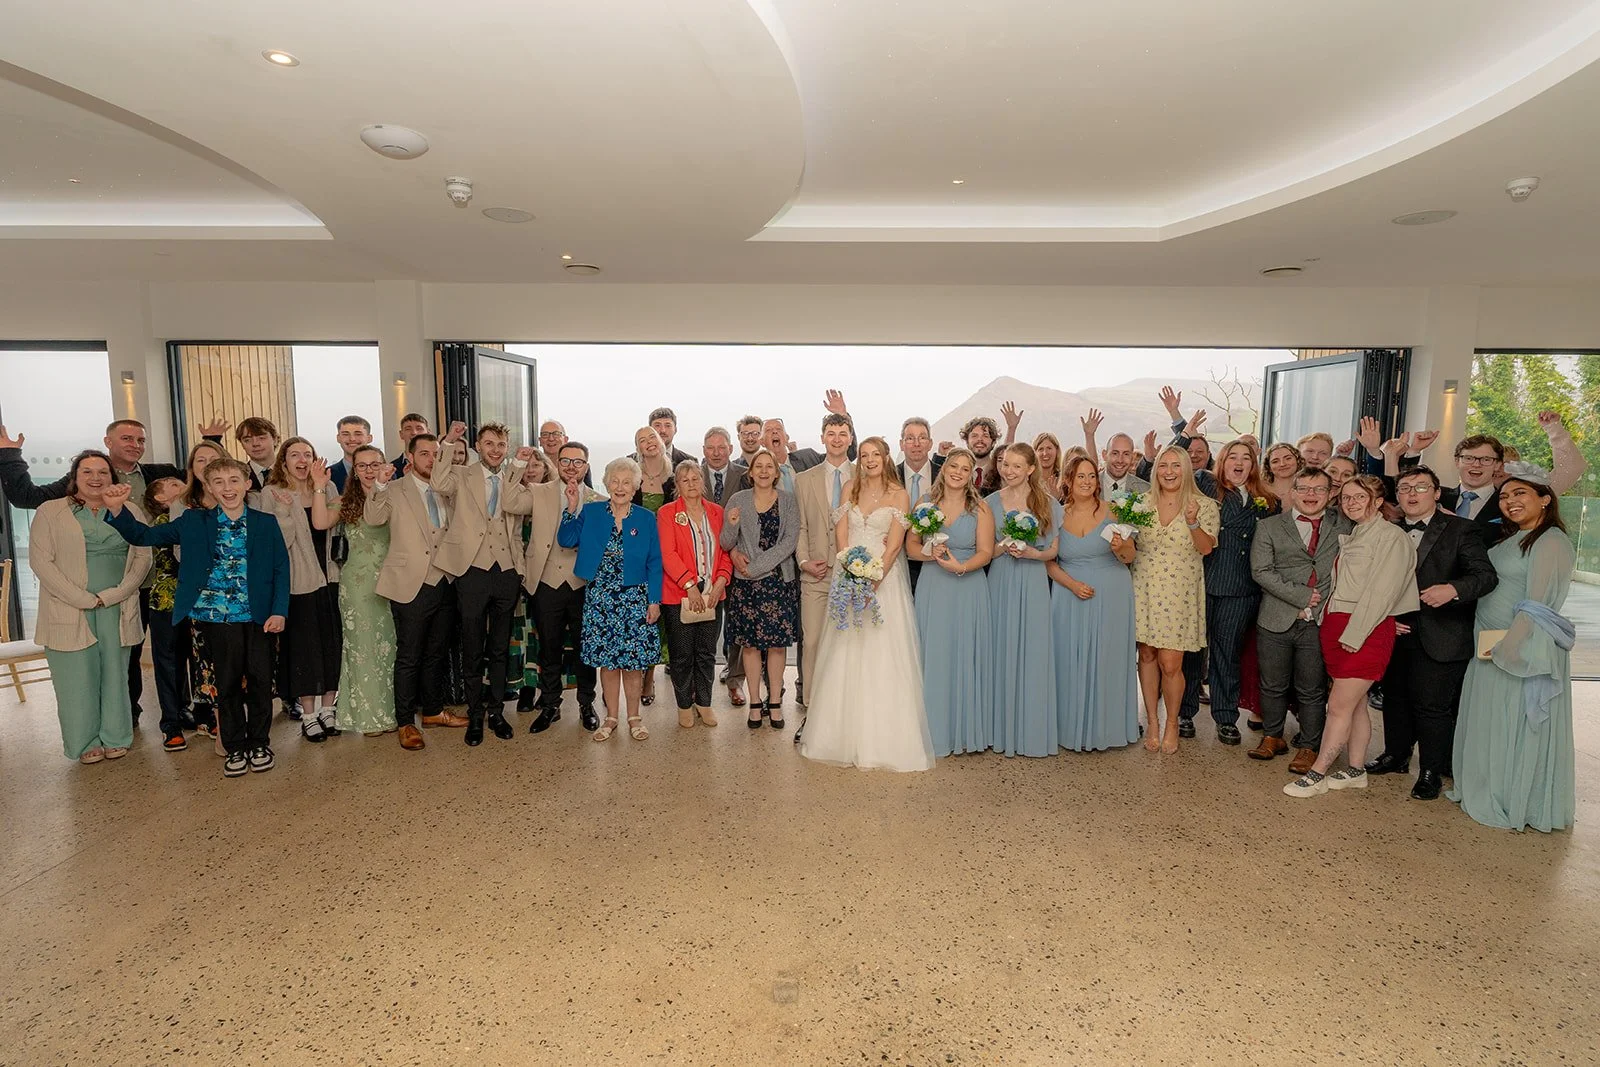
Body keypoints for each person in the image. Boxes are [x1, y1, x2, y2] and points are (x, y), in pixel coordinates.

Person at [0, 416, 227, 723]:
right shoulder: (91, 478)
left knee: (181, 651)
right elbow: (27, 497)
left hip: (164, 583)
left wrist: (214, 440)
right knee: (128, 654)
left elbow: (209, 472)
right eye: (127, 439)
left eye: (141, 440)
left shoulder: (160, 473)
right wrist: (10, 457)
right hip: (118, 585)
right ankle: (126, 715)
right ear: (108, 442)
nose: (135, 445)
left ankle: (192, 712)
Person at [103, 457, 290, 778]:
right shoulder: (193, 521)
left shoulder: (265, 522)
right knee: (227, 683)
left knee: (261, 681)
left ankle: (259, 743)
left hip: (259, 616)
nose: (227, 488)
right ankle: (233, 746)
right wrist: (118, 510)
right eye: (219, 482)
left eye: (234, 481)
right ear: (209, 487)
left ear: (247, 485)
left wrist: (279, 610)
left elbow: (280, 568)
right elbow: (144, 536)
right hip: (216, 617)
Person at [1448, 465, 1576, 832]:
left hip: (1518, 649)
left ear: (1545, 499)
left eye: (1520, 494)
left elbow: (1538, 603)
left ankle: (1511, 798)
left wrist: (1509, 648)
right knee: (1491, 721)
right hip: (1490, 644)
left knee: (1513, 723)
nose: (1509, 501)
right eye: (1504, 496)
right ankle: (1489, 787)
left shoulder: (1549, 540)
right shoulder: (1514, 537)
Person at [1360, 465, 1497, 798]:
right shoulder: (1387, 529)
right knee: (1394, 698)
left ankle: (1432, 771)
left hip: (1441, 632)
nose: (1411, 494)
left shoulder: (1461, 529)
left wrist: (1451, 589)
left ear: (1437, 493)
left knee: (1432, 707)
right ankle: (1396, 754)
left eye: (1420, 488)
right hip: (1393, 629)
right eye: (1404, 488)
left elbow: (1485, 576)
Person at [798, 438, 932, 771]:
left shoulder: (899, 495)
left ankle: (883, 740)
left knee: (882, 656)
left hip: (884, 585)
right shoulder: (849, 491)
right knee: (844, 653)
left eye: (876, 455)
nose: (870, 460)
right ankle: (839, 737)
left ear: (887, 458)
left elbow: (895, 547)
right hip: (848, 577)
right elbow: (842, 535)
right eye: (865, 455)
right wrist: (851, 570)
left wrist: (873, 580)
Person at [1285, 475, 1418, 797]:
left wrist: (1359, 633)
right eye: (1346, 498)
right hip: (1337, 625)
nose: (1352, 503)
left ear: (1376, 500)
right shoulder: (1356, 534)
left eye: (1360, 497)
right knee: (1355, 705)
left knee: (1338, 706)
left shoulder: (1391, 537)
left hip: (1363, 629)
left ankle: (1317, 774)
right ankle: (1356, 769)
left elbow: (1382, 592)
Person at [29, 451, 152, 763]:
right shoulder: (50, 511)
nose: (96, 478)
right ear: (75, 477)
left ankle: (116, 735)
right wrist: (82, 599)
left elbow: (142, 557)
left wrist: (116, 593)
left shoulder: (131, 510)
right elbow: (41, 561)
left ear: (113, 478)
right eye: (87, 472)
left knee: (116, 673)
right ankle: (85, 742)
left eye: (102, 472)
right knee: (75, 678)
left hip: (117, 605)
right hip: (68, 607)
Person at [430, 421, 536, 746]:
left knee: (500, 648)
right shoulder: (462, 475)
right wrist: (448, 442)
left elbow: (516, 511)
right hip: (472, 570)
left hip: (505, 571)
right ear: (478, 445)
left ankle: (497, 712)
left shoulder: (513, 477)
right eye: (489, 444)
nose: (495, 450)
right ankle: (475, 715)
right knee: (473, 648)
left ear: (507, 447)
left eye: (500, 445)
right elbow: (437, 481)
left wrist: (516, 468)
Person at [366, 433, 462, 751]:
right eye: (424, 453)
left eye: (436, 453)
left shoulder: (448, 488)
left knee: (437, 652)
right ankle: (406, 721)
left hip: (446, 579)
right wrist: (377, 486)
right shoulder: (394, 489)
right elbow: (374, 517)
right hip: (411, 582)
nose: (431, 459)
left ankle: (433, 712)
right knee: (409, 656)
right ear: (409, 456)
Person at [558, 457, 663, 742]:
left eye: (626, 482)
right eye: (615, 481)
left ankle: (634, 717)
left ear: (635, 487)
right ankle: (611, 718)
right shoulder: (591, 512)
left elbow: (655, 562)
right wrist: (570, 507)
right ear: (606, 483)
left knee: (632, 663)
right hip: (601, 599)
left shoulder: (645, 517)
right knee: (608, 662)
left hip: (634, 599)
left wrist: (654, 600)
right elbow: (566, 540)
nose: (620, 487)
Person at [1249, 468, 1346, 773]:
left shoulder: (1344, 525)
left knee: (1312, 687)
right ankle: (1272, 736)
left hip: (1320, 621)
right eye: (1303, 488)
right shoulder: (1269, 527)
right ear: (1292, 492)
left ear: (1330, 494)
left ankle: (1308, 746)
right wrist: (1301, 596)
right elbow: (1261, 571)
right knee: (1273, 683)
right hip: (1276, 618)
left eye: (1319, 489)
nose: (1310, 495)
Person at [1046, 455, 1139, 752]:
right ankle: (1069, 728)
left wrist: (1122, 546)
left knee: (1107, 659)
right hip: (1068, 594)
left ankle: (1108, 728)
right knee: (1067, 660)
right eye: (1080, 476)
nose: (1087, 482)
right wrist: (1072, 585)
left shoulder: (1114, 511)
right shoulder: (1057, 516)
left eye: (1091, 476)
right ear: (1068, 481)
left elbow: (1130, 558)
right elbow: (1049, 563)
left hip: (1111, 594)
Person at [905, 448, 994, 756]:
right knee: (935, 654)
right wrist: (931, 554)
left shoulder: (980, 508)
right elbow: (910, 547)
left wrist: (962, 567)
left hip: (969, 586)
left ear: (972, 475)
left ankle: (966, 731)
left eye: (965, 468)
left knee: (966, 653)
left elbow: (986, 551)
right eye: (953, 466)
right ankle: (933, 731)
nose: (958, 472)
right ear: (944, 469)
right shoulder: (925, 503)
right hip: (934, 585)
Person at [1131, 445, 1219, 753]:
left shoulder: (1204, 504)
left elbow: (1206, 548)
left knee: (1171, 662)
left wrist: (1193, 522)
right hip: (1143, 585)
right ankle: (1152, 722)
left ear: (1186, 469)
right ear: (1156, 471)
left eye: (1175, 465)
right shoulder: (1140, 503)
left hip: (1179, 590)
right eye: (1163, 465)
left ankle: (1172, 722)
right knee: (1147, 655)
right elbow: (1129, 543)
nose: (1169, 471)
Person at [1184, 439, 1272, 746]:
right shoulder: (1206, 486)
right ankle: (1185, 712)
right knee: (1194, 651)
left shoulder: (1267, 501)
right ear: (1221, 461)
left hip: (1241, 589)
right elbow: (1176, 467)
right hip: (1203, 581)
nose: (1238, 462)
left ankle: (1225, 716)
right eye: (1232, 456)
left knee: (1227, 654)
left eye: (1245, 458)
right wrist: (1183, 431)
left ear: (1253, 464)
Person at [257, 437, 342, 741]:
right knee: (305, 650)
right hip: (299, 583)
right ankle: (308, 714)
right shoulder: (271, 493)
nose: (302, 460)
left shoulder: (328, 488)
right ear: (284, 462)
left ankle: (329, 710)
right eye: (295, 455)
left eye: (308, 454)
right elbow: (277, 545)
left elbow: (333, 528)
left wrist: (321, 488)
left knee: (333, 645)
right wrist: (282, 513)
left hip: (331, 578)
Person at [311, 445, 396, 737]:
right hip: (359, 586)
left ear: (385, 466)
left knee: (392, 648)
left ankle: (396, 711)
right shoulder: (345, 500)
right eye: (363, 466)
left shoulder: (395, 496)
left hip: (395, 581)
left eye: (375, 464)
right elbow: (320, 522)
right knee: (364, 649)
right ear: (354, 470)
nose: (370, 470)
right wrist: (319, 487)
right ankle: (370, 716)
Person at [523, 442, 605, 734]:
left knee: (586, 650)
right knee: (549, 647)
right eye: (566, 460)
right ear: (557, 462)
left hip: (584, 584)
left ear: (586, 465)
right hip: (547, 580)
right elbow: (508, 502)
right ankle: (549, 705)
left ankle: (586, 703)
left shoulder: (599, 501)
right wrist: (518, 465)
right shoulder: (538, 491)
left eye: (578, 462)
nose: (571, 466)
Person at [985, 443, 1061, 757]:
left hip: (1032, 581)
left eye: (1017, 466)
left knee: (1033, 651)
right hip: (1000, 578)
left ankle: (1032, 729)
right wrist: (1006, 545)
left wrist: (1032, 553)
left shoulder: (1049, 504)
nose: (1009, 471)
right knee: (999, 649)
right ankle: (997, 729)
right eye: (1006, 465)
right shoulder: (989, 503)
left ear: (1031, 469)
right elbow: (984, 549)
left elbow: (1054, 551)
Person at [720, 450, 802, 728]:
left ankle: (775, 703)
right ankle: (755, 703)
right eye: (759, 467)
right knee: (751, 647)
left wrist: (754, 569)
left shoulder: (788, 502)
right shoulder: (737, 500)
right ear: (750, 472)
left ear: (776, 473)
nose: (764, 471)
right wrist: (731, 527)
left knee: (777, 647)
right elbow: (726, 542)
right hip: (746, 589)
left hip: (778, 583)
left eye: (770, 467)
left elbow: (789, 543)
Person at [657, 461, 733, 728]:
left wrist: (722, 580)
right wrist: (690, 585)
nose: (691, 483)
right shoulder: (667, 513)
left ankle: (704, 702)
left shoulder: (717, 512)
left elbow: (725, 551)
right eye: (684, 480)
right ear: (677, 485)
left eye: (695, 478)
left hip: (713, 594)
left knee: (706, 653)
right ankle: (683, 705)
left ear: (703, 481)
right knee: (681, 655)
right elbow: (668, 554)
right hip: (678, 595)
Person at [793, 412, 856, 728]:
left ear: (850, 438)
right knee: (814, 641)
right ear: (822, 437)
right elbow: (800, 527)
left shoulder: (862, 476)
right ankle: (812, 715)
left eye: (842, 433)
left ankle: (846, 715)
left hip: (853, 576)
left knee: (848, 645)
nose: (836, 438)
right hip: (814, 575)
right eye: (830, 433)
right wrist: (804, 561)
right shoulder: (804, 479)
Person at [140, 476, 193, 750]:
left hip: (192, 601)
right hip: (166, 602)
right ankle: (170, 723)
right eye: (172, 484)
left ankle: (186, 710)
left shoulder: (193, 516)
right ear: (160, 499)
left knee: (190, 660)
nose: (180, 484)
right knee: (169, 663)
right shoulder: (164, 524)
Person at [507, 449, 555, 712]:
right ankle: (524, 688)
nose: (531, 469)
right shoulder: (510, 494)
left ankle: (545, 690)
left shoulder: (552, 495)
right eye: (526, 465)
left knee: (544, 634)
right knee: (522, 635)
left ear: (545, 468)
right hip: (517, 572)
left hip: (546, 575)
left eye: (536, 464)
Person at [1081, 409, 1150, 500]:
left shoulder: (1145, 490)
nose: (1120, 460)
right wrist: (1089, 436)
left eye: (1126, 454)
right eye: (1115, 453)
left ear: (1132, 457)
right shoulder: (1088, 485)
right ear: (1104, 455)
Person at [327, 415, 374, 493]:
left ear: (369, 438)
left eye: (358, 434)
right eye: (345, 434)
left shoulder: (384, 472)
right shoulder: (327, 475)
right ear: (338, 438)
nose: (352, 439)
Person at [235, 417, 280, 490]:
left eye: (261, 438)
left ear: (275, 439)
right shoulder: (238, 477)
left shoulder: (291, 472)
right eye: (247, 440)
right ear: (242, 444)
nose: (255, 444)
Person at [702, 427, 740, 507]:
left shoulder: (745, 475)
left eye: (721, 448)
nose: (716, 453)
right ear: (704, 450)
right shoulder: (693, 476)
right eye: (710, 448)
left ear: (730, 449)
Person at [390, 412, 429, 478]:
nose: (414, 433)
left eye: (419, 428)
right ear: (401, 434)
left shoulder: (437, 464)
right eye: (408, 429)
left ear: (428, 433)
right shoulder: (392, 469)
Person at [1032, 432, 1064, 503]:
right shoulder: (1028, 480)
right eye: (1040, 449)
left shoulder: (1064, 480)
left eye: (1049, 448)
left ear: (1057, 451)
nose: (1045, 453)